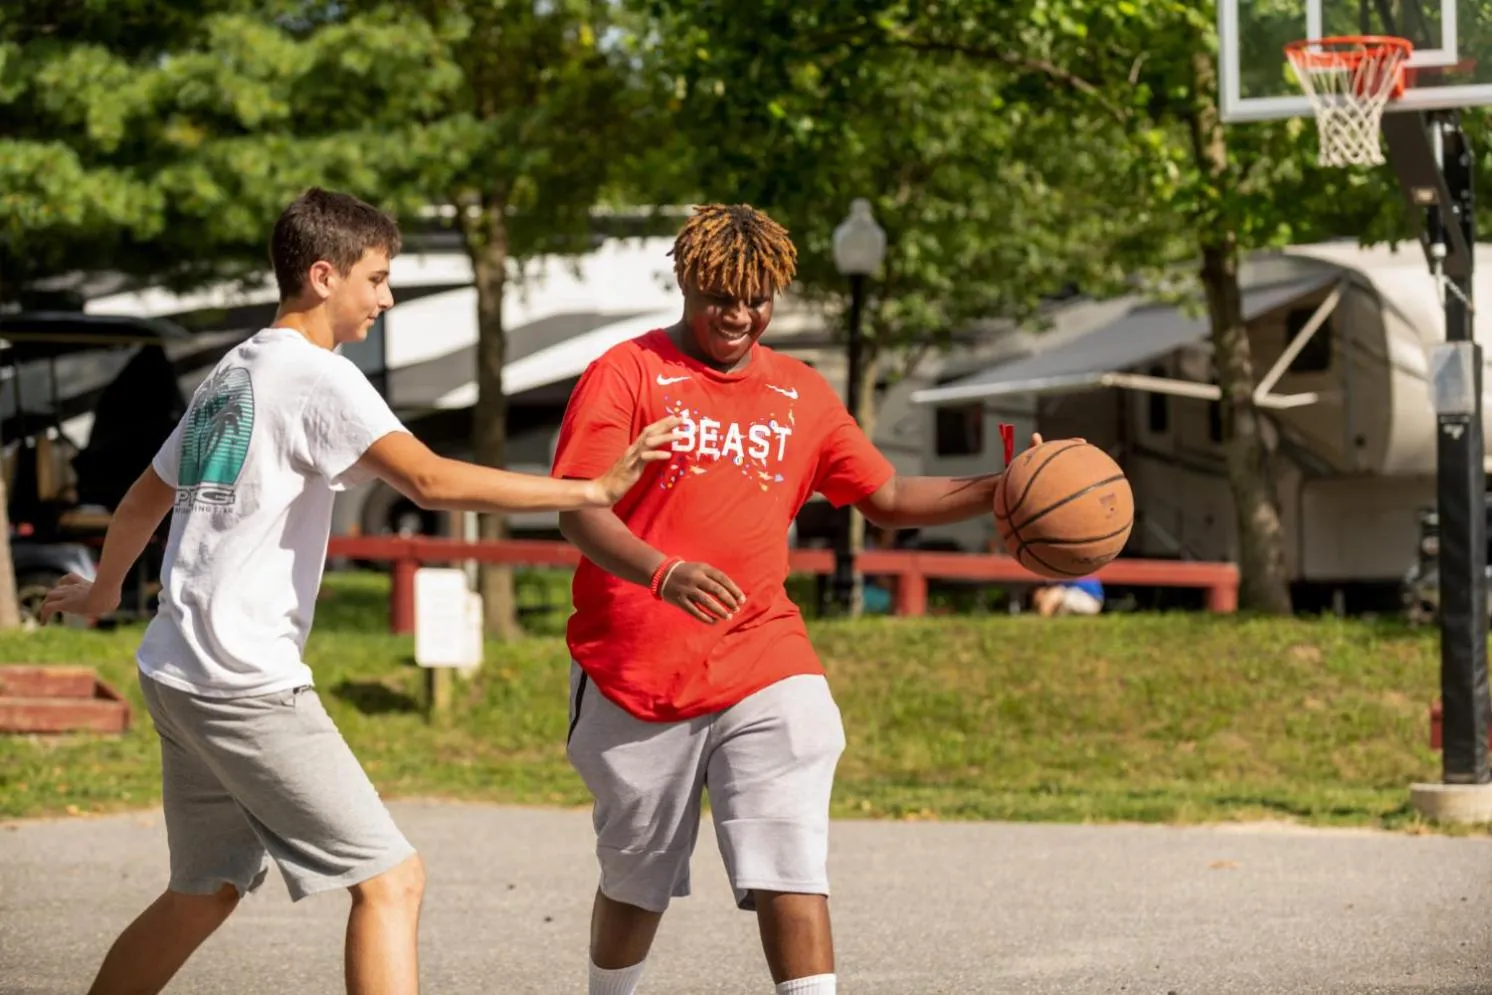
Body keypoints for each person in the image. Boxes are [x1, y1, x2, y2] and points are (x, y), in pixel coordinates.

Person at [39, 187, 678, 995]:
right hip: (243, 685)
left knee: (203, 890)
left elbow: (141, 497)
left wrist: (103, 594)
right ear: (321, 275)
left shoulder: (232, 370)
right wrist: (587, 492)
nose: (386, 296)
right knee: (393, 879)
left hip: (176, 670)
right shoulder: (315, 378)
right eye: (375, 278)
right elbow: (430, 479)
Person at [551, 202, 1053, 995]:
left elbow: (884, 492)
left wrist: (1001, 488)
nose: (741, 314)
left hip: (764, 653)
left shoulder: (800, 391)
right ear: (687, 281)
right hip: (637, 666)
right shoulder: (628, 373)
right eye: (722, 295)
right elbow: (578, 505)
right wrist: (663, 570)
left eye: (757, 297)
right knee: (636, 876)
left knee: (791, 857)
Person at [1031, 576, 1105, 617]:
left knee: (1055, 594)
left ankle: (1043, 623)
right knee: (1040, 593)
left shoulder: (1073, 562)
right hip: (1076, 596)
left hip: (1091, 600)